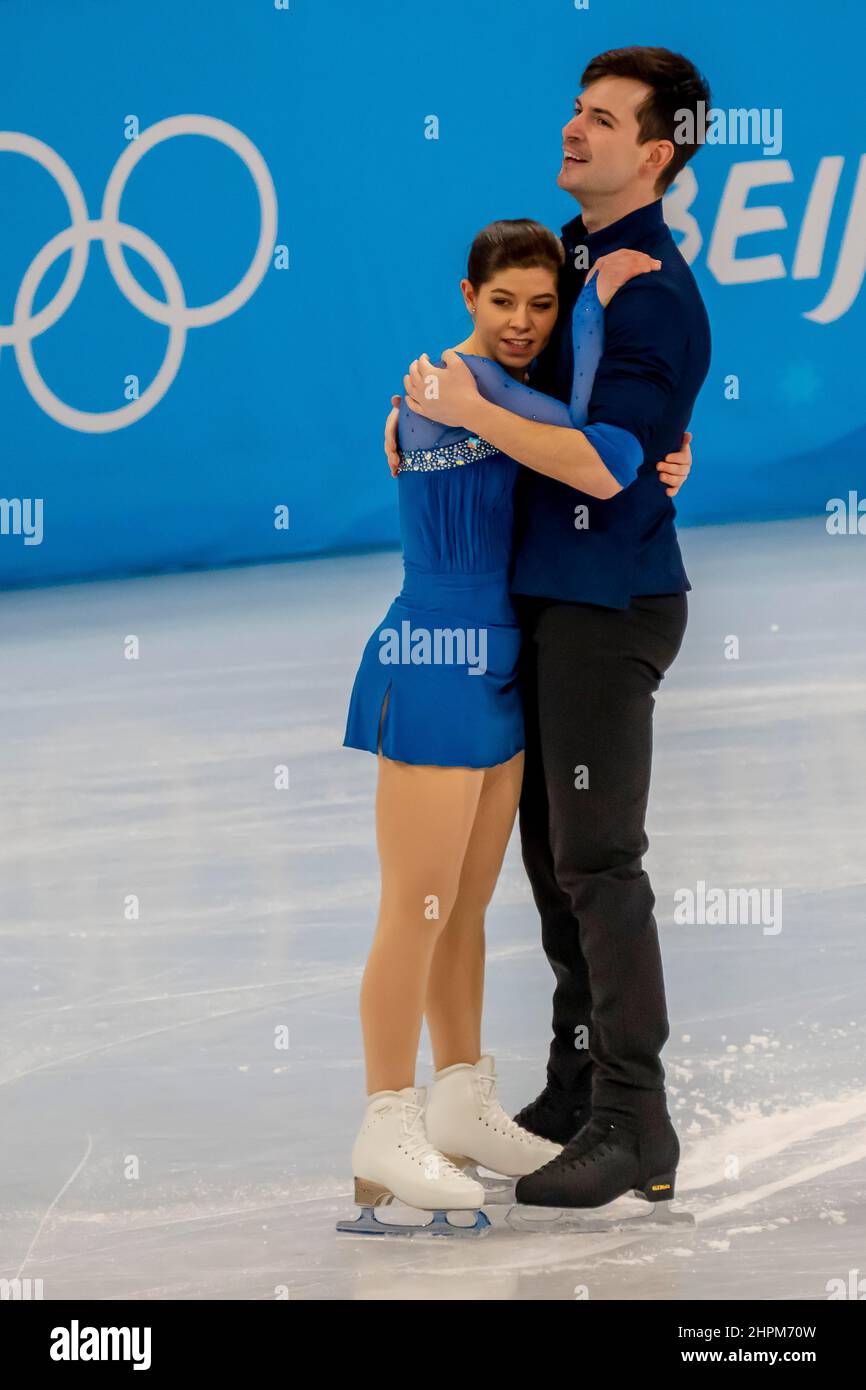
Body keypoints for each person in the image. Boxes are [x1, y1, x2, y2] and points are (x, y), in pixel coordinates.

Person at [392, 46, 712, 1212]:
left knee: (595, 859)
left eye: (601, 120)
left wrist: (474, 408)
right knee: (548, 858)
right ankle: (576, 1089)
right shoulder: (574, 258)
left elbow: (603, 456)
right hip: (545, 594)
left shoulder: (654, 292)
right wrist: (423, 407)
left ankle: (636, 1117)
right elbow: (519, 368)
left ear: (656, 151)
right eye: (574, 112)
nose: (574, 130)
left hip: (607, 604)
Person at [340, 217, 692, 1235]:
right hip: (434, 661)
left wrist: (654, 457)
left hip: (496, 666)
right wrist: (598, 324)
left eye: (542, 306)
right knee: (414, 904)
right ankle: (382, 1116)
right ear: (466, 297)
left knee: (464, 907)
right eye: (503, 302)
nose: (521, 323)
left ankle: (456, 1094)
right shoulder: (443, 386)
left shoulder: (494, 397)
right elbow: (576, 438)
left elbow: (577, 445)